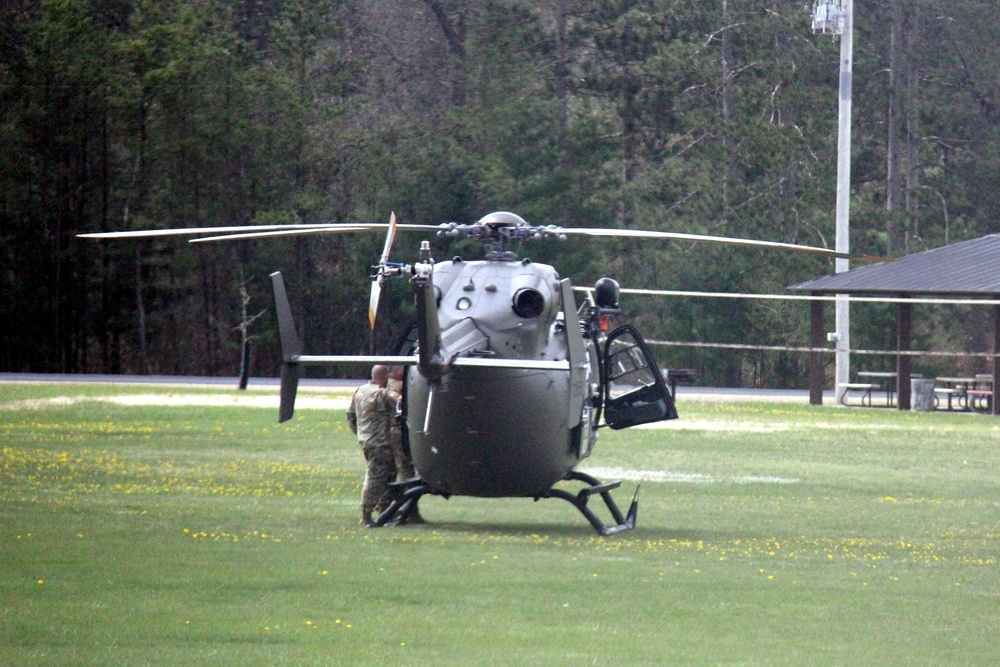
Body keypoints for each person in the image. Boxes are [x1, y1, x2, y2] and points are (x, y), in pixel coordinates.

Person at [347, 365, 400, 526]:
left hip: (367, 441)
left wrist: (362, 434)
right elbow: (399, 400)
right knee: (375, 478)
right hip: (380, 443)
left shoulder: (360, 391)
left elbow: (351, 417)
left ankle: (385, 512)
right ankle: (366, 514)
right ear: (384, 376)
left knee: (388, 474)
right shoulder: (382, 393)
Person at [388, 365, 425, 524]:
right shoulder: (397, 386)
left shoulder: (387, 387)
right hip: (400, 433)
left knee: (397, 471)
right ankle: (410, 512)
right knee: (406, 472)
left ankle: (389, 508)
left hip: (391, 434)